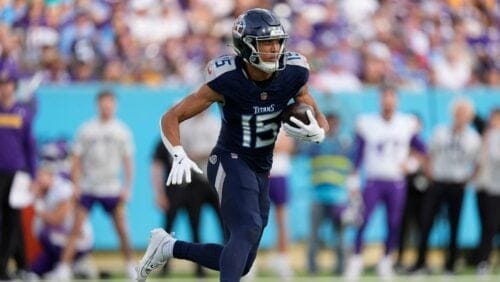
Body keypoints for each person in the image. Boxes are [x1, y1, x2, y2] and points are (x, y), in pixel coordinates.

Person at [136, 8, 328, 282]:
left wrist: (318, 130)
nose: (274, 49)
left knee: (244, 260)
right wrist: (178, 153)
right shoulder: (227, 79)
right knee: (247, 229)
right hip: (229, 160)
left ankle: (168, 247)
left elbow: (317, 115)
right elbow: (172, 117)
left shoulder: (294, 73)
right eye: (265, 43)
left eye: (277, 42)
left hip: (262, 168)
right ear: (246, 46)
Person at [50, 90, 137, 280]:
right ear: (97, 105)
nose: (106, 107)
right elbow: (76, 159)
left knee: (122, 229)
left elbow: (128, 161)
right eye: (103, 103)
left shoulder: (121, 131)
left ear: (115, 105)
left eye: (110, 103)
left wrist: (127, 187)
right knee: (76, 227)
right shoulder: (87, 129)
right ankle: (63, 268)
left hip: (112, 188)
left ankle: (131, 266)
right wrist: (75, 184)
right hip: (89, 187)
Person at [344, 85, 427, 280]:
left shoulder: (406, 123)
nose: (388, 102)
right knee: (362, 221)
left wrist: (412, 164)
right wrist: (353, 181)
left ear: (396, 101)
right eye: (385, 98)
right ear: (380, 101)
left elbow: (422, 148)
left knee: (393, 223)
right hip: (374, 180)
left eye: (391, 98)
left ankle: (386, 261)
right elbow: (358, 154)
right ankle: (356, 261)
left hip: (396, 181)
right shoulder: (367, 122)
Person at [409, 98, 481, 274]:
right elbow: (428, 154)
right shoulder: (441, 132)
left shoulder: (473, 138)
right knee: (426, 222)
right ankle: (420, 263)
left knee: (454, 225)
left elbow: (478, 163)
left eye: (465, 114)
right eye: (459, 112)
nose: (461, 117)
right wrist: (429, 172)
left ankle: (450, 265)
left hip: (457, 184)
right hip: (438, 182)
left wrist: (469, 178)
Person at [151, 109, 222, 277]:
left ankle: (205, 266)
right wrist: (159, 193)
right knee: (171, 227)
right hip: (180, 186)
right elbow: (158, 164)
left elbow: (215, 151)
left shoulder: (212, 124)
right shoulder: (173, 135)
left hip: (200, 183)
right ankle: (165, 266)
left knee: (198, 226)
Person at [302, 113, 357, 275]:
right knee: (313, 236)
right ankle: (312, 269)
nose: (332, 126)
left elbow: (352, 168)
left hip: (338, 198)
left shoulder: (344, 145)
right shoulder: (316, 143)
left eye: (334, 123)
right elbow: (300, 149)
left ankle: (341, 269)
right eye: (329, 122)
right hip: (318, 196)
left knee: (340, 236)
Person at [0, 74, 35, 280]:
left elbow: (29, 146)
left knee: (13, 221)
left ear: (14, 86)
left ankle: (7, 266)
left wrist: (32, 175)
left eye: (8, 84)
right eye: (2, 85)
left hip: (16, 174)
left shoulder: (22, 112)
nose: (5, 88)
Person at [30, 165, 94, 279]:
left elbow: (57, 219)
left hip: (79, 239)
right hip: (63, 236)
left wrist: (39, 208)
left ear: (50, 175)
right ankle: (63, 266)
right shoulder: (46, 191)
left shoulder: (62, 188)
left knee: (44, 231)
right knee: (35, 270)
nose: (38, 179)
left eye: (41, 175)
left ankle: (73, 264)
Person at [395, 116, 429, 269]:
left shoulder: (421, 144)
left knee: (421, 226)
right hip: (404, 189)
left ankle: (420, 261)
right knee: (402, 227)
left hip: (421, 192)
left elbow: (426, 161)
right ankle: (399, 259)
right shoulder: (401, 143)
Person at [473, 108, 500, 275]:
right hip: (486, 188)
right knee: (487, 226)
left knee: (492, 226)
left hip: (497, 187)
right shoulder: (486, 136)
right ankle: (483, 261)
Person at [267, 130, 295, 279]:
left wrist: (265, 146)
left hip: (280, 174)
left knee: (282, 220)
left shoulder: (285, 121)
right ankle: (249, 261)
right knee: (254, 221)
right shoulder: (254, 117)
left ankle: (283, 261)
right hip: (260, 173)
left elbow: (288, 146)